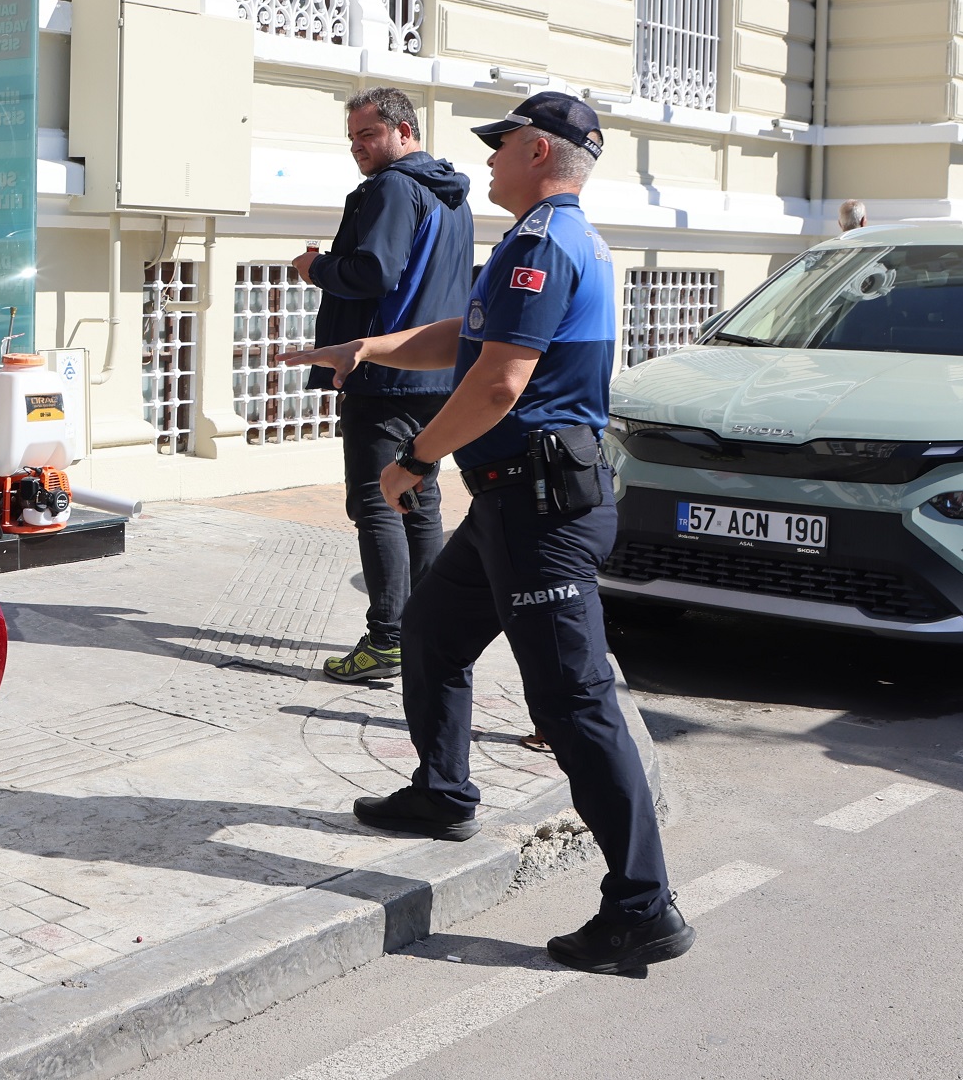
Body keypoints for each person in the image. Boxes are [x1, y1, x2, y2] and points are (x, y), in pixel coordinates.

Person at [285, 92, 691, 976]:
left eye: (502, 144)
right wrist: (371, 348)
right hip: (512, 504)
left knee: (575, 704)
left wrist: (416, 458)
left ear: (539, 151)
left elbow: (499, 381)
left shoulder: (543, 243)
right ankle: (442, 791)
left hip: (539, 510)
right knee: (433, 629)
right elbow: (466, 337)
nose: (490, 159)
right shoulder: (542, 238)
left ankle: (643, 905)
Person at [293, 87, 474, 683]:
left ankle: (389, 639)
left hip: (386, 374)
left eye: (367, 135)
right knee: (417, 502)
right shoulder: (450, 195)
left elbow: (373, 271)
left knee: (377, 503)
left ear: (404, 131)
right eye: (352, 138)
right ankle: (425, 632)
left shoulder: (395, 187)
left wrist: (315, 268)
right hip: (435, 373)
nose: (357, 148)